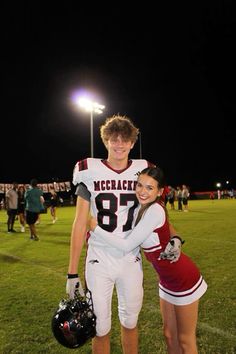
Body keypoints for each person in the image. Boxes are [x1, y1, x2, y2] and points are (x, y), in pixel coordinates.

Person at [66, 115, 179, 354]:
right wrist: (72, 272)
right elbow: (79, 223)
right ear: (105, 140)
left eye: (124, 140)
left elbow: (158, 213)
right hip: (99, 257)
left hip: (130, 258)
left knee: (130, 321)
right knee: (101, 326)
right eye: (114, 139)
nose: (119, 145)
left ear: (132, 143)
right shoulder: (89, 170)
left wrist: (174, 237)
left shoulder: (142, 169)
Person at [89, 166, 208, 354]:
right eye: (139, 185)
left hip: (184, 279)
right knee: (169, 334)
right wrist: (176, 238)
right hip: (166, 281)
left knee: (185, 339)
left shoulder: (155, 211)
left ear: (160, 191)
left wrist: (95, 228)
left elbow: (127, 245)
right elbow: (168, 227)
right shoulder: (140, 208)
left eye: (150, 188)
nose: (142, 191)